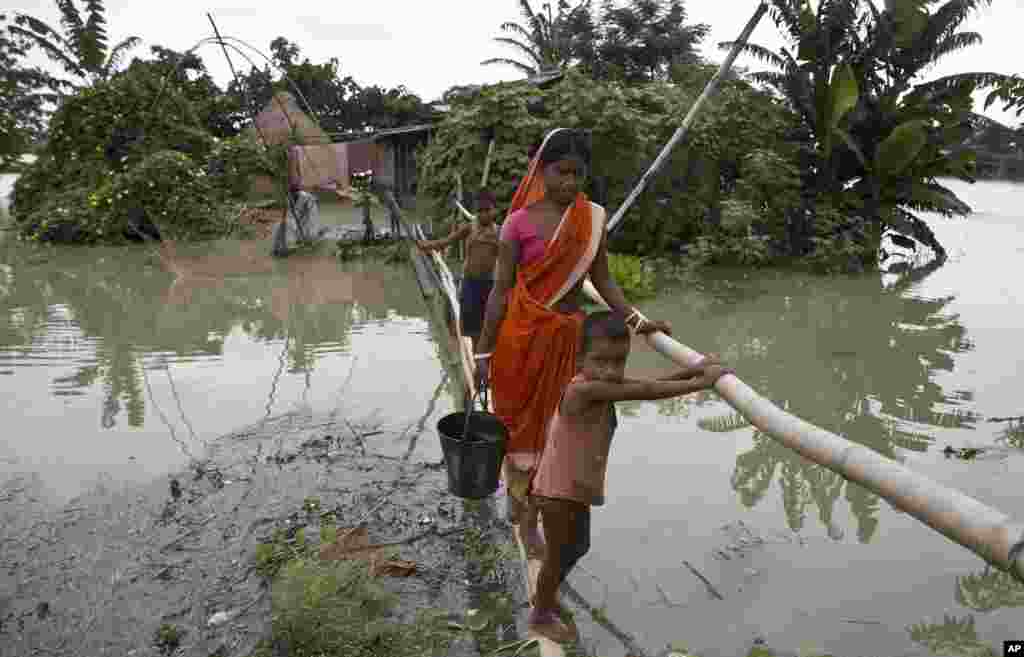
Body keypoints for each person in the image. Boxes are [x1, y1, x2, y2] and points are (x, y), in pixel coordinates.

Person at [473, 127, 672, 558]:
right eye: (561, 172)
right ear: (541, 172)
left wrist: (639, 321)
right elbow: (500, 293)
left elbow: (603, 280)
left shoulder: (591, 220)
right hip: (519, 344)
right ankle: (527, 525)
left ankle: (543, 516)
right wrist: (483, 354)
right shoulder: (516, 224)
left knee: (557, 436)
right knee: (520, 432)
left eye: (578, 174)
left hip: (568, 344)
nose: (570, 182)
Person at [527, 311, 733, 642]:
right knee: (559, 554)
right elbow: (648, 390)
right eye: (600, 361)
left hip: (571, 490)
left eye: (618, 361)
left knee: (577, 547)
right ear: (580, 359)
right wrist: (703, 382)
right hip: (557, 493)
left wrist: (694, 370)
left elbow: (645, 384)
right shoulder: (585, 390)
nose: (610, 371)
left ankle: (545, 597)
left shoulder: (602, 384)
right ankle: (539, 614)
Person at [416, 191, 500, 350]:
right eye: (480, 211)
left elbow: (507, 260)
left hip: (489, 285)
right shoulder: (469, 228)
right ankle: (476, 357)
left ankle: (486, 357)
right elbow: (447, 241)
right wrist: (427, 245)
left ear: (494, 210)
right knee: (473, 328)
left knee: (489, 326)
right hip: (470, 283)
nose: (483, 214)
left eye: (487, 210)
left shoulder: (499, 233)